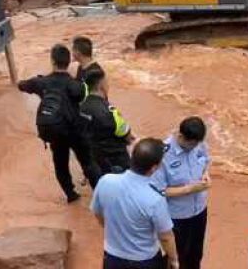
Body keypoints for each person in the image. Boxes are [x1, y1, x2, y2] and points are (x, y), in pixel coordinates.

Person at [18, 44, 100, 203]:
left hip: (55, 130)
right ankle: (101, 195)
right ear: (69, 62)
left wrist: (34, 80)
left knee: (60, 163)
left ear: (53, 62)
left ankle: (71, 195)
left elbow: (21, 85)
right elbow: (87, 95)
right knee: (88, 162)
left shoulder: (41, 82)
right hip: (76, 130)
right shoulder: (74, 84)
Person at [91, 138, 179, 269]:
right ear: (154, 168)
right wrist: (174, 259)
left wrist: (114, 230)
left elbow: (97, 212)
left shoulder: (106, 181)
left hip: (112, 256)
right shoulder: (155, 199)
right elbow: (166, 236)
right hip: (144, 260)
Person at [152, 117, 211, 269]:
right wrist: (190, 189)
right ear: (181, 136)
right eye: (191, 144)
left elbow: (205, 161)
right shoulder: (162, 154)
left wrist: (205, 174)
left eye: (197, 144)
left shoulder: (198, 144)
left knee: (196, 254)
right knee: (176, 258)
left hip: (199, 211)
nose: (195, 147)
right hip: (177, 218)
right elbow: (159, 191)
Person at [80, 70, 133, 175]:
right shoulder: (110, 111)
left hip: (96, 158)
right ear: (101, 85)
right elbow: (127, 136)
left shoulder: (81, 107)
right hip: (116, 159)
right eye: (107, 82)